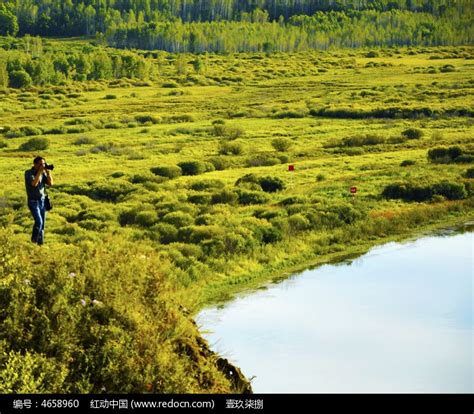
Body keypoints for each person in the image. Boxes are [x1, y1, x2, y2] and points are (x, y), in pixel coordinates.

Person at [25, 156, 53, 245]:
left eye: (44, 164)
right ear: (35, 164)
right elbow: (34, 184)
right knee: (39, 222)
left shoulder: (42, 173)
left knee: (42, 224)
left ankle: (40, 244)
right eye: (40, 164)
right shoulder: (28, 173)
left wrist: (48, 173)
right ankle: (34, 241)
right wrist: (40, 172)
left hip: (42, 201)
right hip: (33, 202)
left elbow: (50, 184)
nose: (43, 165)